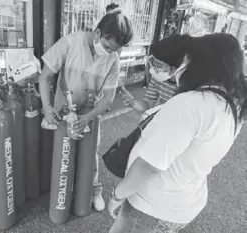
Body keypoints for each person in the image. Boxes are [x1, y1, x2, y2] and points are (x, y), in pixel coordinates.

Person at [108, 33, 246, 232]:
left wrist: (117, 195)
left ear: (204, 62)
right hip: (183, 200)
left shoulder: (190, 104)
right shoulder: (232, 105)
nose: (185, 64)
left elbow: (149, 165)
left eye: (189, 59)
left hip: (152, 205)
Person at [39, 9, 133, 211]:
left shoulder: (113, 58)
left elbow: (108, 96)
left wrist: (89, 116)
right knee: (62, 155)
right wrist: (47, 108)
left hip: (91, 113)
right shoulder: (70, 42)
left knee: (90, 155)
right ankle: (60, 191)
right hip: (62, 112)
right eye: (107, 46)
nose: (109, 52)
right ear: (98, 33)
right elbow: (45, 76)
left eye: (114, 50)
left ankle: (93, 190)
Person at [121, 34, 189, 117]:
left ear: (174, 68)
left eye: (158, 65)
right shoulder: (158, 77)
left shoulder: (189, 85)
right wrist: (133, 103)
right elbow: (148, 104)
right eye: (152, 62)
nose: (154, 69)